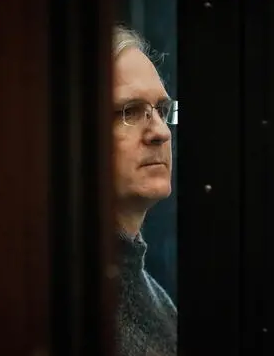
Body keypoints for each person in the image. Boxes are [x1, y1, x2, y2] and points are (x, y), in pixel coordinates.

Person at [112, 25, 177, 356]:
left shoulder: (160, 303)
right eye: (131, 111)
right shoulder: (52, 301)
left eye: (162, 111)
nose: (161, 132)